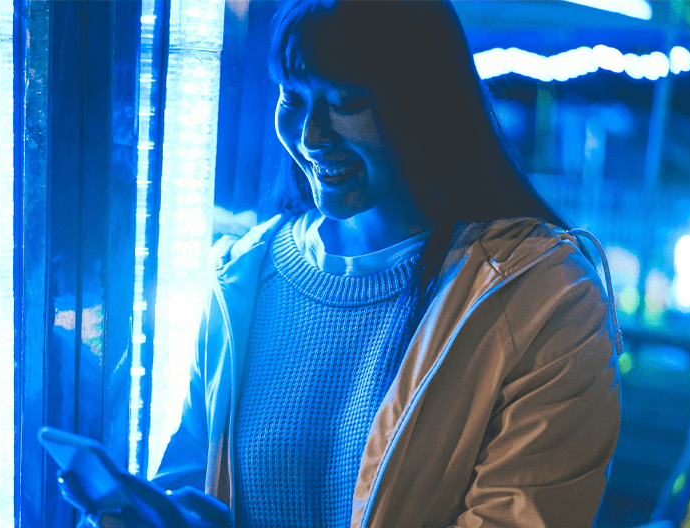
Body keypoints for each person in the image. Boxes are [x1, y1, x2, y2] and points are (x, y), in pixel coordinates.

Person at [59, 0, 622, 526]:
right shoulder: (248, 273)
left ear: (425, 102)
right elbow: (192, 480)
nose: (310, 136)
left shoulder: (542, 294)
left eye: (346, 101)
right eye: (293, 99)